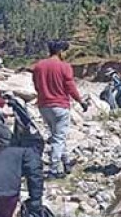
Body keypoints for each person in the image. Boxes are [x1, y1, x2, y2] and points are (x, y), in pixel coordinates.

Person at [32, 40, 88, 178]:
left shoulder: (39, 66)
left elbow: (36, 85)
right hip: (60, 106)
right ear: (60, 51)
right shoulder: (65, 67)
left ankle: (66, 161)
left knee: (56, 134)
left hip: (44, 106)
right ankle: (54, 169)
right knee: (59, 137)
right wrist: (81, 101)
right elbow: (70, 87)